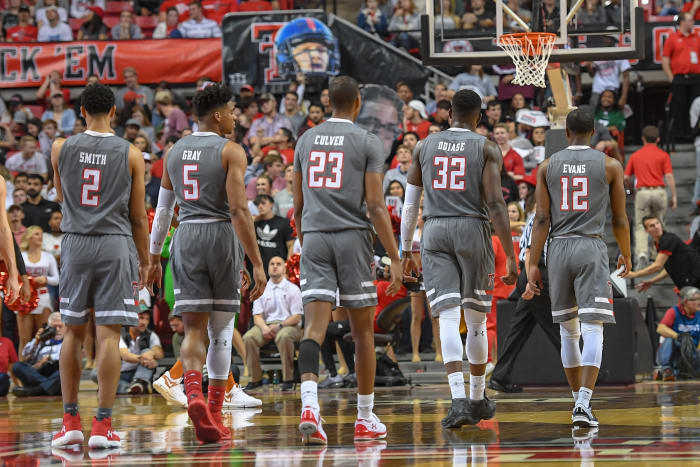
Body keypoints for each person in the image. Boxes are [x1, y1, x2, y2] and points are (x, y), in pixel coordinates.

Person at [146, 83, 266, 443]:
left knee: (193, 331)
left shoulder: (174, 152)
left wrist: (153, 257)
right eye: (231, 111)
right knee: (222, 332)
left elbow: (163, 211)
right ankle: (214, 412)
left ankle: (193, 393)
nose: (234, 117)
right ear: (217, 115)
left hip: (186, 236)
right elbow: (238, 209)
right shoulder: (231, 150)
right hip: (220, 234)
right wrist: (256, 262)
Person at [293, 75, 403, 444]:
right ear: (358, 104)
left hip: (314, 236)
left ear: (328, 102)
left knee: (313, 329)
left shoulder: (305, 139)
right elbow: (375, 206)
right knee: (362, 333)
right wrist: (394, 256)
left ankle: (310, 406)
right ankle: (365, 418)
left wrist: (306, 241)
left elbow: (298, 206)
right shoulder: (368, 141)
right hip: (352, 239)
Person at [400, 89, 518, 428]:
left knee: (448, 317)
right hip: (472, 228)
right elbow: (495, 204)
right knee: (476, 320)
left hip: (435, 230)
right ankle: (478, 397)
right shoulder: (486, 147)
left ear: (448, 113)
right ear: (479, 117)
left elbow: (410, 203)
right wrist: (510, 255)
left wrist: (405, 250)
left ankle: (457, 401)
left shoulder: (424, 145)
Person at [50, 83, 150, 449]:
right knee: (109, 335)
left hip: (75, 242)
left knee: (72, 332)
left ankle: (70, 422)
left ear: (81, 111)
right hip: (114, 243)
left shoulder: (60, 147)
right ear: (113, 112)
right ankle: (102, 425)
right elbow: (138, 216)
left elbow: (62, 196)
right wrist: (146, 260)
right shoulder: (131, 153)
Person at [526, 108, 631, 428]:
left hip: (558, 248)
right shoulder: (610, 165)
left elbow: (541, 219)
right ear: (593, 132)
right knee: (593, 327)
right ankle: (583, 403)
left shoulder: (547, 166)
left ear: (566, 132)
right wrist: (626, 254)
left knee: (568, 331)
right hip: (590, 245)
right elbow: (619, 218)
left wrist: (532, 262)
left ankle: (578, 403)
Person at [488, 213, 561, 393]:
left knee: (518, 330)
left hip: (528, 273)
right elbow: (529, 251)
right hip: (534, 274)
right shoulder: (541, 218)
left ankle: (499, 376)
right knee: (558, 328)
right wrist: (530, 280)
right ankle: (584, 370)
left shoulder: (536, 217)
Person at [243, 256, 303, 391]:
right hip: (267, 325)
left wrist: (280, 326)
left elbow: (297, 317)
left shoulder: (293, 289)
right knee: (249, 337)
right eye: (272, 264)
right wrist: (264, 328)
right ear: (268, 268)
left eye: (278, 264)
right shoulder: (261, 289)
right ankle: (255, 378)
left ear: (284, 268)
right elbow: (257, 316)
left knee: (284, 336)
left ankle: (288, 378)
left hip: (288, 325)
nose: (275, 266)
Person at [623, 126, 676, 267]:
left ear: (643, 139)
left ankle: (642, 253)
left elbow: (626, 177)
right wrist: (674, 196)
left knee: (641, 225)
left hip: (643, 192)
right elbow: (669, 176)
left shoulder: (635, 155)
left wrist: (630, 190)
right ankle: (658, 254)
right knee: (659, 224)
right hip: (659, 191)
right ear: (658, 139)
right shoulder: (663, 155)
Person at [627, 215, 700, 291]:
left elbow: (657, 266)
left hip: (696, 279)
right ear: (646, 230)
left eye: (657, 223)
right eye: (652, 226)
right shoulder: (659, 243)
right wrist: (652, 281)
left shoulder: (668, 239)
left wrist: (634, 274)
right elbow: (669, 269)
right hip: (691, 282)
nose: (656, 227)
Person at [18, 226, 59, 356]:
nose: (40, 236)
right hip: (25, 298)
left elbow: (57, 279)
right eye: (36, 234)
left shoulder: (48, 256)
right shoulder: (21, 256)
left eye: (41, 234)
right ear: (29, 237)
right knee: (24, 339)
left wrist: (45, 279)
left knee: (44, 336)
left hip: (43, 297)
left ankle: (41, 365)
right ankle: (22, 367)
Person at [662, 12, 700, 138]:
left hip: (696, 78)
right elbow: (665, 60)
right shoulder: (672, 38)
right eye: (690, 20)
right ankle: (681, 134)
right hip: (680, 78)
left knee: (696, 105)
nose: (692, 22)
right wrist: (671, 78)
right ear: (682, 22)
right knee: (680, 106)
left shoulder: (697, 37)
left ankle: (695, 132)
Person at [11, 312, 64, 397]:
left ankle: (33, 391)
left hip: (55, 372)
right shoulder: (42, 340)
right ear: (48, 327)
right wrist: (36, 341)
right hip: (37, 374)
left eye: (60, 326)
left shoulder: (69, 342)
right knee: (17, 366)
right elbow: (25, 354)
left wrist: (49, 358)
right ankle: (48, 386)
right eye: (54, 327)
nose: (57, 329)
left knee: (63, 373)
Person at [655, 286, 700, 381]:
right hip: (674, 354)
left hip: (691, 354)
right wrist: (678, 336)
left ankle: (676, 373)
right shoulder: (673, 311)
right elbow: (660, 328)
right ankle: (666, 369)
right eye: (695, 299)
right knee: (669, 339)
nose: (699, 302)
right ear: (685, 301)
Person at [117, 309, 163, 394]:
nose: (144, 322)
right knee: (96, 373)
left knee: (147, 351)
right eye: (141, 318)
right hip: (121, 373)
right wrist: (146, 359)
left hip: (142, 372)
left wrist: (152, 353)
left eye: (147, 319)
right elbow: (125, 355)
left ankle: (138, 382)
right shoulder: (120, 334)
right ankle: (133, 388)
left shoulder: (151, 335)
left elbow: (159, 352)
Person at [253, 195, 294, 270]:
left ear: (271, 204)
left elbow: (291, 246)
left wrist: (288, 268)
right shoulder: (254, 223)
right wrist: (253, 220)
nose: (260, 206)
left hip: (278, 268)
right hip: (258, 268)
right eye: (257, 204)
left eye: (263, 203)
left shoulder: (284, 223)